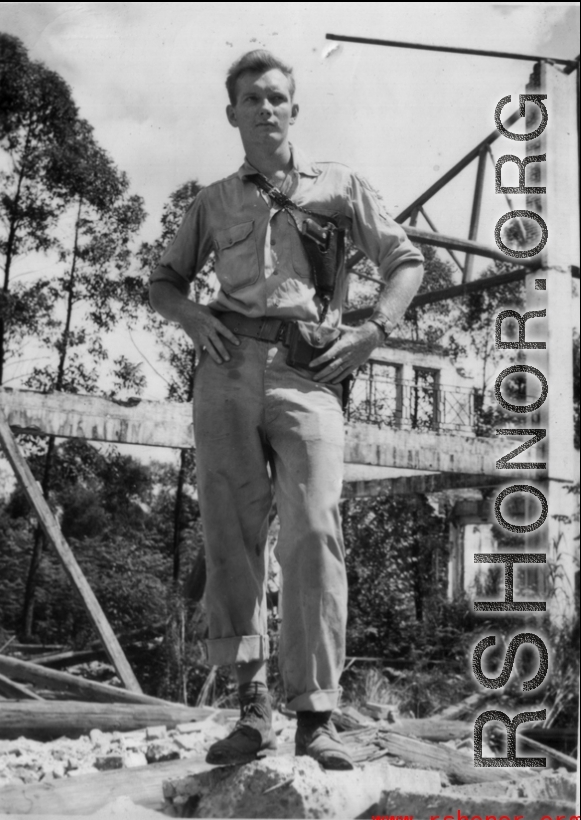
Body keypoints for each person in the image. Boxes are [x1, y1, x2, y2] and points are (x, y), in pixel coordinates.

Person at [149, 50, 424, 770]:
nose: (266, 108)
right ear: (232, 112)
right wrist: (191, 320)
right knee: (230, 534)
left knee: (312, 529)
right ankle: (252, 710)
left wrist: (374, 332)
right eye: (252, 98)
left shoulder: (339, 186)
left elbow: (408, 260)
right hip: (226, 369)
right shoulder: (212, 203)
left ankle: (315, 717)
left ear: (294, 110)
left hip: (310, 375)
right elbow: (164, 280)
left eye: (278, 97)